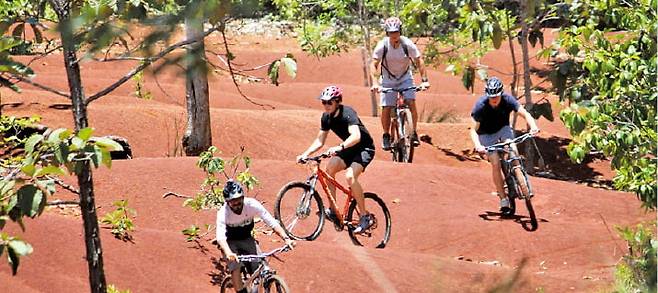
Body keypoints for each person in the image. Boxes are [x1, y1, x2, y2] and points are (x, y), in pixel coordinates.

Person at [296, 85, 376, 234]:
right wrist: (305, 154)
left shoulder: (348, 113)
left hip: (364, 148)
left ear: (337, 101)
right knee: (330, 168)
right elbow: (320, 141)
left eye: (329, 102)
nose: (326, 106)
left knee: (350, 176)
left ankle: (365, 216)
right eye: (324, 102)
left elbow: (356, 136)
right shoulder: (326, 117)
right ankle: (333, 210)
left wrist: (339, 147)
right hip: (348, 149)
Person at [469, 77, 540, 212]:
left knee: (513, 149)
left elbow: (524, 113)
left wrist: (533, 126)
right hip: (485, 135)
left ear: (501, 93)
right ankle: (503, 199)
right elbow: (472, 130)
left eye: (496, 96)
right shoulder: (480, 106)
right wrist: (478, 145)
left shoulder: (508, 100)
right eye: (491, 96)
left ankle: (522, 182)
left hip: (503, 129)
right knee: (495, 162)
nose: (494, 99)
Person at [216, 180, 295, 293]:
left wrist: (286, 239)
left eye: (239, 201)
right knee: (235, 266)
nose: (237, 205)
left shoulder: (252, 204)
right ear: (227, 202)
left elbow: (271, 222)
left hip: (247, 239)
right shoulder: (223, 213)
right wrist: (228, 253)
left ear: (243, 198)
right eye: (233, 203)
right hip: (230, 242)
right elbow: (220, 237)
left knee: (259, 267)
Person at [370, 16, 431, 151]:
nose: (394, 35)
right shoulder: (382, 46)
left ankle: (413, 131)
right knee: (386, 107)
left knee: (411, 101)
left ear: (400, 31)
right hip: (388, 80)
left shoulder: (407, 44)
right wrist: (375, 83)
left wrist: (425, 80)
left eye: (396, 32)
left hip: (405, 78)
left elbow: (419, 60)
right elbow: (374, 64)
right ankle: (386, 134)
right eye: (391, 33)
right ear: (387, 33)